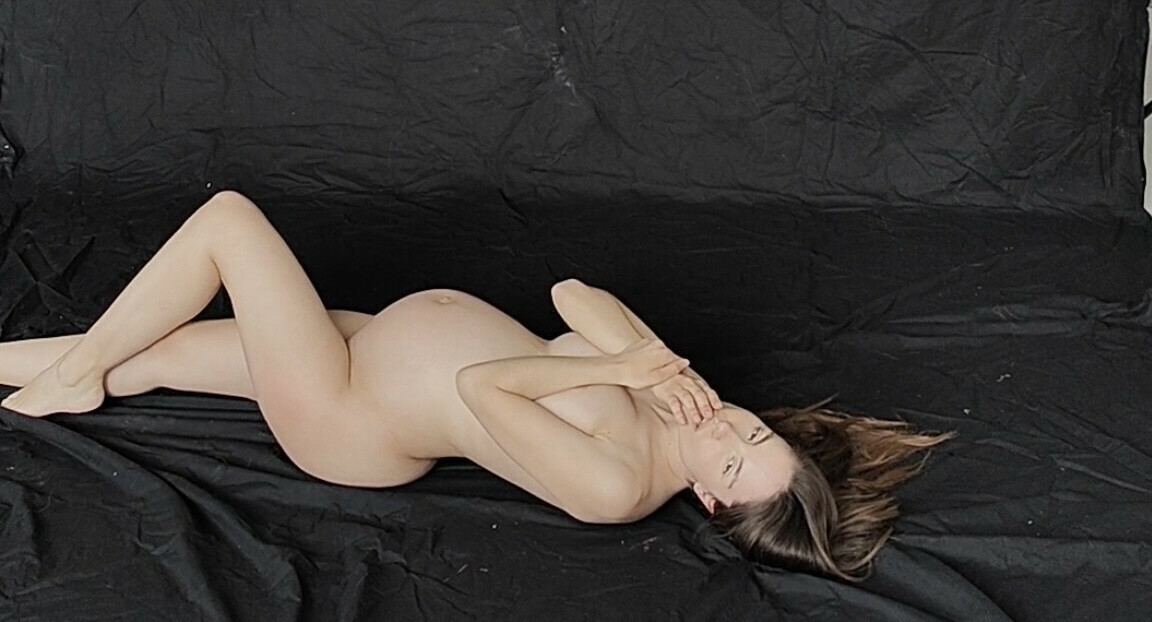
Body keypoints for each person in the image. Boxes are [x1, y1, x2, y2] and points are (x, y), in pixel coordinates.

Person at [0, 192, 953, 573]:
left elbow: (485, 389)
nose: (729, 431)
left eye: (733, 462)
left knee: (228, 224)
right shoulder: (677, 394)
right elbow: (570, 293)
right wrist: (656, 362)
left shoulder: (618, 484)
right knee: (156, 352)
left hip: (348, 414)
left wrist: (621, 365)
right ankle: (71, 367)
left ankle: (75, 375)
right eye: (756, 434)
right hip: (366, 352)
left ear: (708, 498)